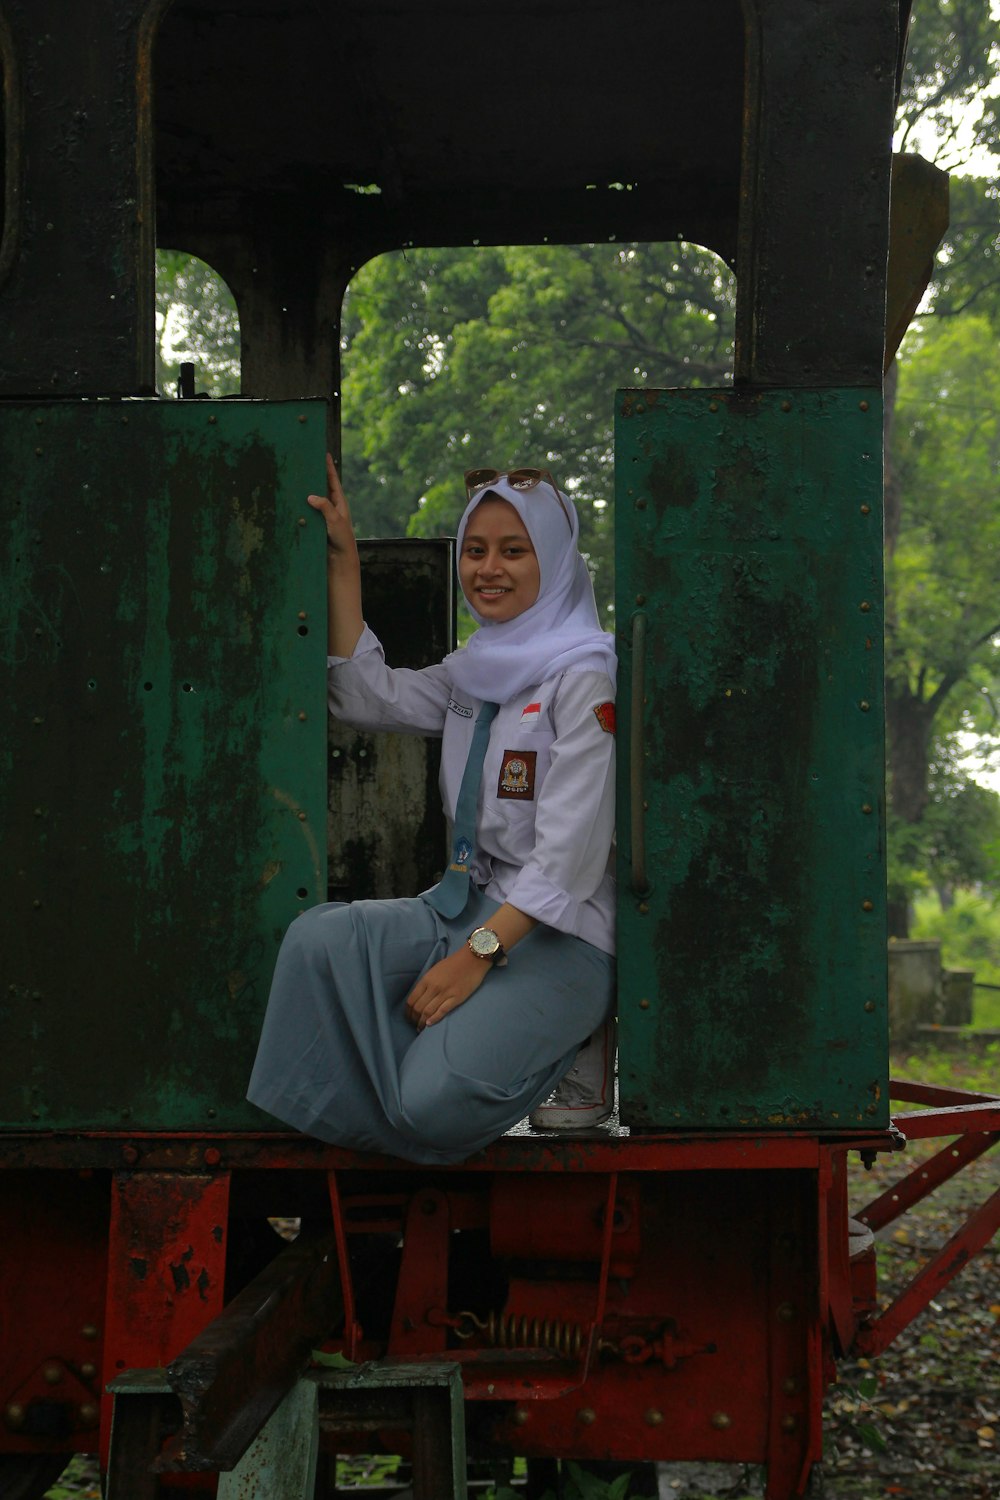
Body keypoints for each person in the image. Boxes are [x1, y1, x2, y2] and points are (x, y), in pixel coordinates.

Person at [247, 457, 617, 1164]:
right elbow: (363, 697)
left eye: (515, 551)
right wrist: (344, 560)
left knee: (430, 1104)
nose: (489, 569)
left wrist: (475, 961)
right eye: (476, 551)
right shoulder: (475, 671)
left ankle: (571, 1042)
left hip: (559, 937)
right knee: (316, 943)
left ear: (558, 562)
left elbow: (567, 863)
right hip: (465, 906)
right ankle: (401, 1107)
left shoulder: (584, 677)